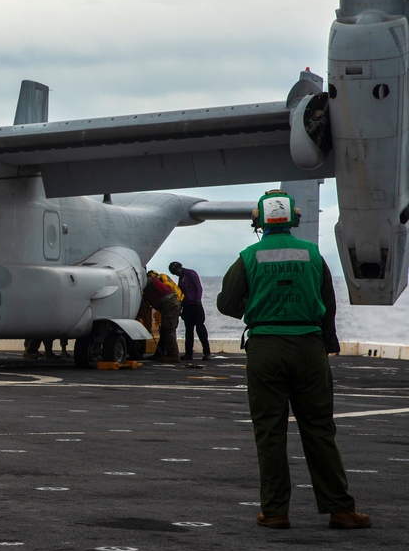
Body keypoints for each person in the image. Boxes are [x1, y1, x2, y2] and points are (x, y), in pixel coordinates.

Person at [216, 190, 370, 530]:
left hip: (265, 348)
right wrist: (328, 345)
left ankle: (275, 512)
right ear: (294, 220)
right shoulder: (313, 255)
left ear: (258, 221)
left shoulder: (249, 256)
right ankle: (340, 509)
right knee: (319, 429)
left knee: (270, 432)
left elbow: (226, 302)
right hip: (309, 348)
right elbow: (328, 305)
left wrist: (256, 310)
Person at [169, 261, 212, 361]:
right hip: (187, 307)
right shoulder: (181, 279)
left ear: (179, 268)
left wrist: (197, 300)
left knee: (200, 328)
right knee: (188, 331)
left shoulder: (191, 273)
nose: (177, 273)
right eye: (174, 273)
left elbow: (198, 287)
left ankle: (207, 352)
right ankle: (189, 354)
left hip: (195, 305)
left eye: (176, 271)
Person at [142, 270, 181, 362]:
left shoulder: (152, 281)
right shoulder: (157, 284)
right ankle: (160, 353)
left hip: (170, 305)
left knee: (168, 329)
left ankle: (174, 355)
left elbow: (147, 281)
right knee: (164, 330)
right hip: (170, 305)